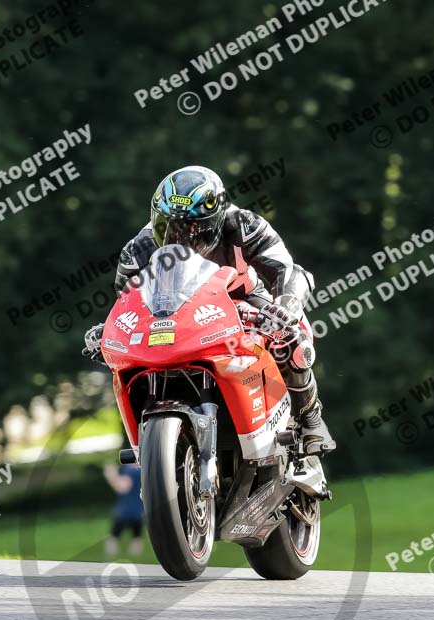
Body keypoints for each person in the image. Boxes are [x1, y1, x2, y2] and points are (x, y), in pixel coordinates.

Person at [85, 165, 335, 455]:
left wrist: (284, 306)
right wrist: (112, 332)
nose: (178, 238)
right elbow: (128, 303)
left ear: (215, 220)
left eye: (191, 228)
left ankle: (310, 420)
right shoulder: (138, 249)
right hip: (175, 315)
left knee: (290, 339)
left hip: (242, 299)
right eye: (167, 226)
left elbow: (287, 269)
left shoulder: (244, 225)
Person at [104, 462, 144, 557]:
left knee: (113, 538)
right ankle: (135, 561)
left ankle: (111, 559)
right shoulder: (141, 468)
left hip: (125, 512)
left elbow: (122, 488)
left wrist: (111, 475)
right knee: (137, 538)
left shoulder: (131, 470)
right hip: (138, 511)